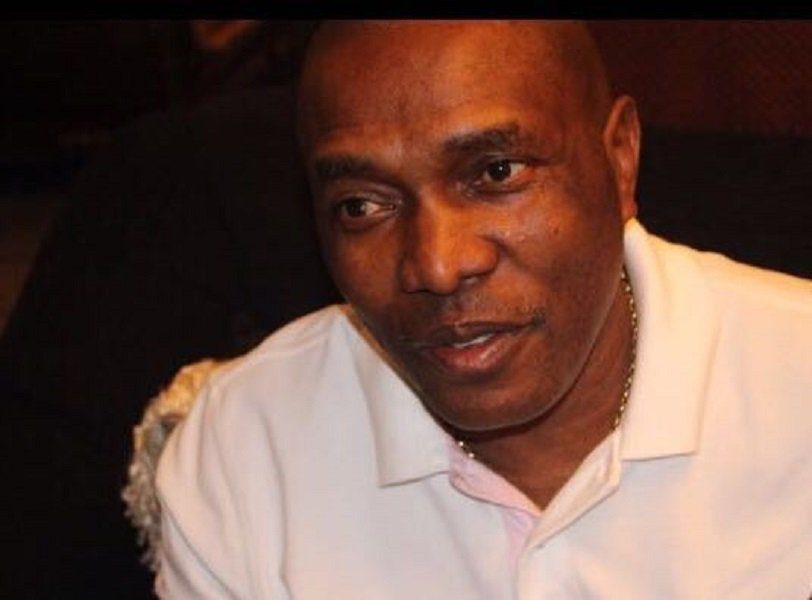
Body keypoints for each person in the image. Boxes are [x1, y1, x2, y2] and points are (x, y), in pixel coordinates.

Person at [154, 21, 812, 598]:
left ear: (619, 158)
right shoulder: (248, 448)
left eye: (497, 172)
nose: (437, 265)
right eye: (362, 205)